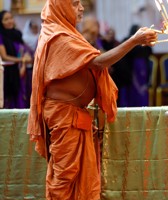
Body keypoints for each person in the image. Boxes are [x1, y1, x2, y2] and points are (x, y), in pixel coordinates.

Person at [27, 0, 157, 199]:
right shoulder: (58, 36)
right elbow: (97, 63)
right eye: (75, 4)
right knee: (64, 176)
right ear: (60, 8)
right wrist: (133, 41)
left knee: (82, 175)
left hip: (75, 113)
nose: (81, 8)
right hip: (64, 114)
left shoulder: (65, 32)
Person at [0, 10, 32, 108]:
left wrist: (24, 62)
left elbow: (24, 49)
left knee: (23, 98)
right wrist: (22, 60)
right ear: (1, 22)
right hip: (8, 73)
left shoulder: (17, 34)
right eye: (6, 19)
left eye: (11, 18)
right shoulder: (1, 36)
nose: (9, 21)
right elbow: (4, 56)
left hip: (21, 72)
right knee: (10, 100)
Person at [115, 24, 153, 107]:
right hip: (130, 74)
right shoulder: (127, 41)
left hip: (140, 73)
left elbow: (149, 52)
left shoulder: (144, 44)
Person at [22, 19, 40, 107]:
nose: (35, 29)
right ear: (29, 28)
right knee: (28, 88)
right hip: (27, 68)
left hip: (38, 67)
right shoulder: (24, 39)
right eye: (33, 28)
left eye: (36, 27)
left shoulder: (40, 37)